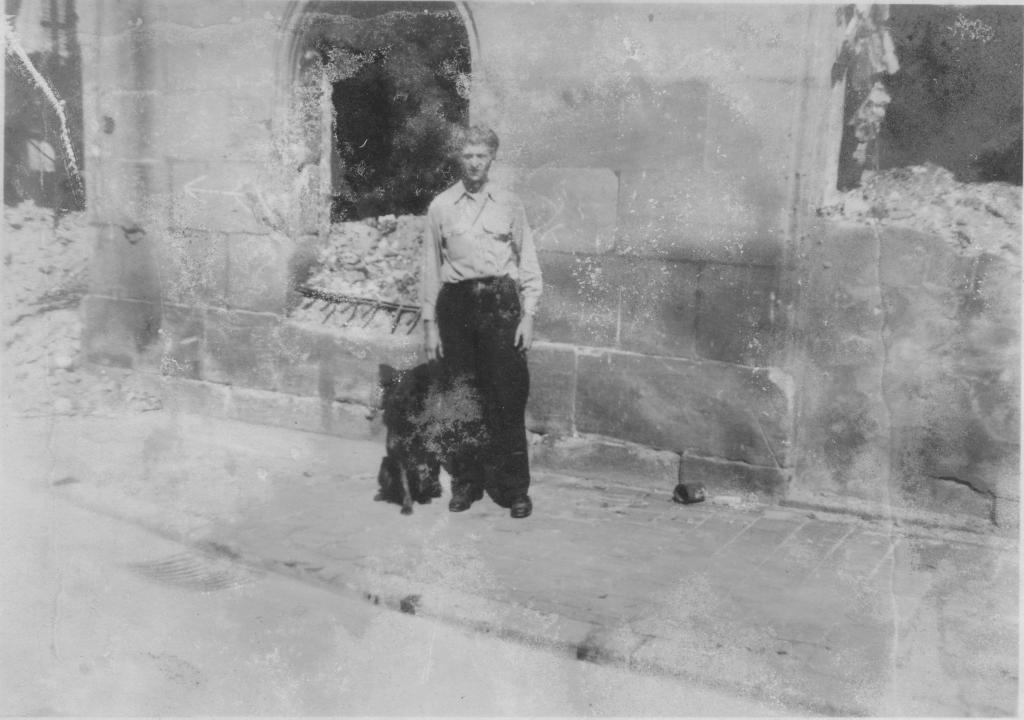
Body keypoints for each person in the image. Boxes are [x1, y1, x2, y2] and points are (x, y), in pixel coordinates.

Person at [420, 124, 542, 519]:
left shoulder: (509, 203)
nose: (474, 162)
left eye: (481, 155)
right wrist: (430, 327)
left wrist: (528, 316)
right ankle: (466, 484)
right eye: (468, 155)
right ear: (459, 158)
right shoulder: (441, 206)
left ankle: (514, 489)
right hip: (456, 306)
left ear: (492, 158)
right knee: (463, 397)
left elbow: (527, 260)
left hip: (500, 303)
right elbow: (430, 269)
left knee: (507, 397)